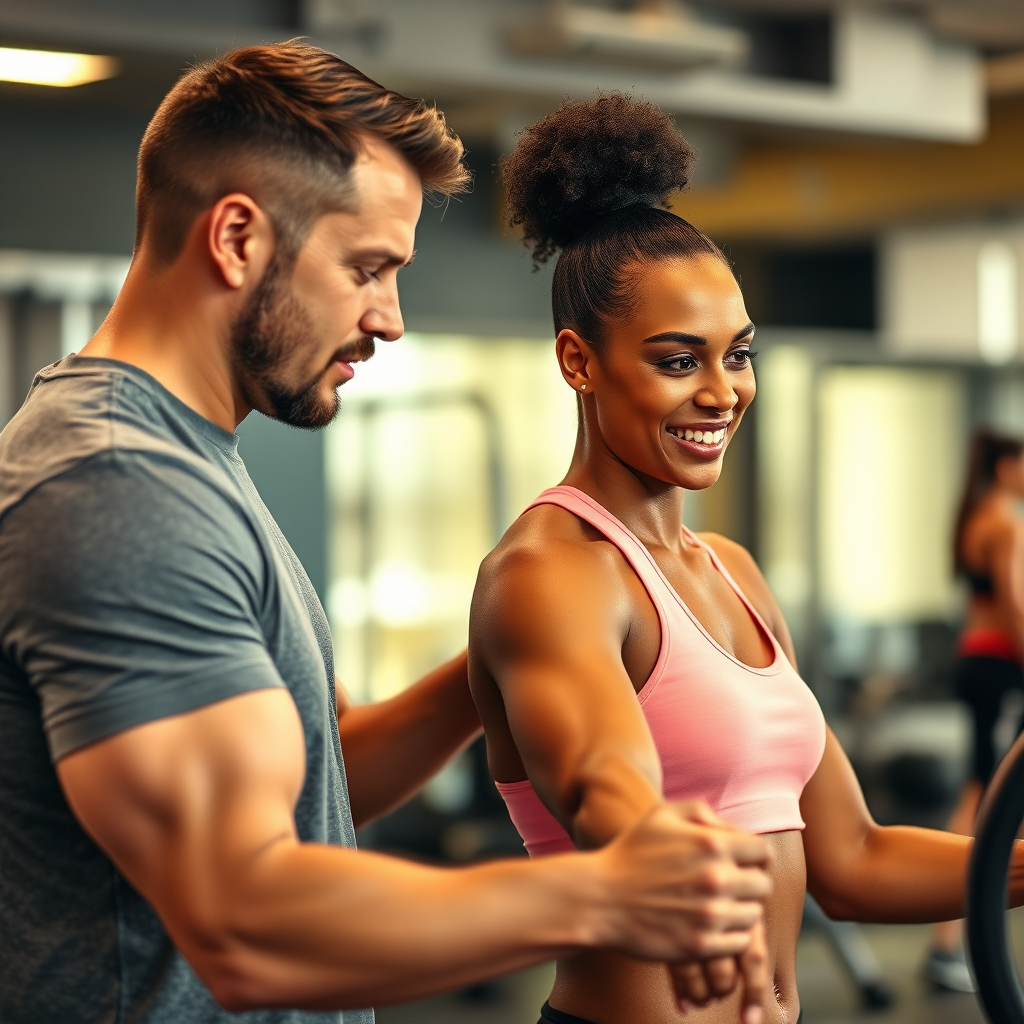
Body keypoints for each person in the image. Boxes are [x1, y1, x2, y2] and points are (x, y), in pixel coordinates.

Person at [0, 45, 776, 1024]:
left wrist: (517, 649)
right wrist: (609, 891)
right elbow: (247, 922)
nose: (391, 319)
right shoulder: (115, 487)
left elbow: (326, 775)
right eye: (368, 269)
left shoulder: (188, 462)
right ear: (237, 238)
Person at [467, 94, 1024, 1024]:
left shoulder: (730, 570)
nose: (723, 391)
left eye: (739, 354)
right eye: (679, 360)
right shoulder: (550, 572)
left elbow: (853, 861)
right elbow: (611, 799)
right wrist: (696, 909)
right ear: (579, 361)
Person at [923, 429, 1024, 992]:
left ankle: (946, 945)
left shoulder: (975, 517)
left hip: (978, 665)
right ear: (1008, 467)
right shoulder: (1006, 522)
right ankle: (946, 944)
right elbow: (1015, 608)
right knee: (989, 799)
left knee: (983, 794)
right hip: (1001, 668)